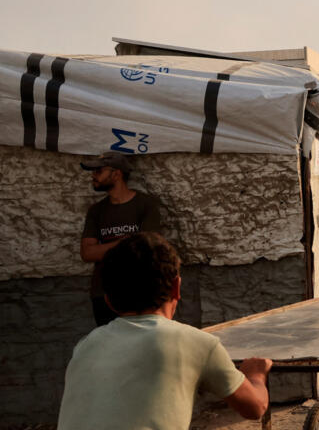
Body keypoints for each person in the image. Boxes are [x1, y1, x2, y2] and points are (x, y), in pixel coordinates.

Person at [57, 233, 272, 429]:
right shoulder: (197, 343)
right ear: (176, 288)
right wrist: (256, 374)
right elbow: (255, 407)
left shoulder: (86, 345)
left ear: (108, 301)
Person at [79, 152, 161, 326]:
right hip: (103, 292)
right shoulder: (96, 210)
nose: (93, 176)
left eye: (98, 171)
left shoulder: (146, 205)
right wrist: (128, 241)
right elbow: (87, 253)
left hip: (139, 290)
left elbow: (146, 246)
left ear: (116, 174)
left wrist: (105, 248)